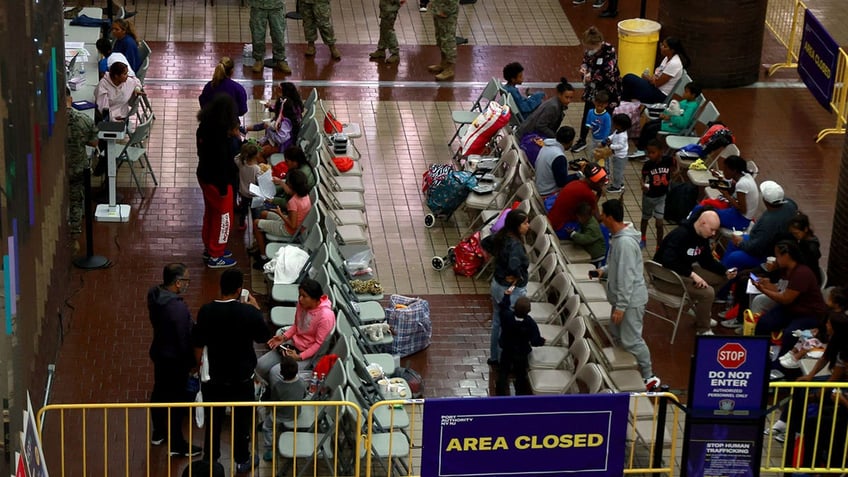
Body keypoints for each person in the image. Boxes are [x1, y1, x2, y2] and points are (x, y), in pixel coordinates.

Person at [192, 269, 270, 472]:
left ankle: (211, 459)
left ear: (221, 288)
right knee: (242, 420)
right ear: (238, 290)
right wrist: (256, 308)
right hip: (241, 379)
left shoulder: (206, 311)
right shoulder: (249, 313)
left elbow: (198, 344)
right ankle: (242, 459)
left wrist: (200, 370)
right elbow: (263, 337)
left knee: (213, 419)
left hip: (214, 378)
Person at [595, 199, 659, 390]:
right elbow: (618, 265)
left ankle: (649, 376)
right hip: (622, 298)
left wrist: (621, 306)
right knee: (616, 334)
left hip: (630, 301)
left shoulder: (624, 243)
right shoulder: (618, 238)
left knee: (632, 340)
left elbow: (627, 276)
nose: (601, 218)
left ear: (610, 217)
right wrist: (604, 270)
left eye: (603, 215)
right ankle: (624, 368)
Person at [653, 209, 738, 335]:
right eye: (712, 230)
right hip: (666, 277)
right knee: (707, 292)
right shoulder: (681, 234)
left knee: (722, 278)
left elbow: (707, 261)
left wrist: (725, 271)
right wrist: (692, 275)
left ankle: (700, 310)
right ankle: (703, 329)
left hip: (685, 272)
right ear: (703, 223)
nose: (714, 234)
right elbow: (668, 261)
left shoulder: (703, 236)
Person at [147, 263, 201, 457]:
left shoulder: (154, 295)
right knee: (177, 401)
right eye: (186, 280)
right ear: (178, 283)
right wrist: (192, 363)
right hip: (175, 361)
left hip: (159, 352)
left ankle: (158, 432)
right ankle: (177, 444)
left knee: (159, 392)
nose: (188, 283)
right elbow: (183, 339)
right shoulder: (177, 309)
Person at [751, 240, 827, 356]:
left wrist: (763, 290)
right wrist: (767, 285)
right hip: (792, 308)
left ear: (786, 255)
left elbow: (785, 298)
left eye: (777, 256)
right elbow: (781, 289)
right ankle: (759, 352)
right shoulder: (786, 270)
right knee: (764, 322)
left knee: (790, 334)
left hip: (809, 313)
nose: (776, 259)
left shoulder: (802, 273)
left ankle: (781, 364)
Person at [257, 278, 336, 381]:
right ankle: (272, 388)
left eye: (304, 296)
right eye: (300, 295)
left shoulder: (325, 317)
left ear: (315, 299)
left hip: (307, 355)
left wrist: (299, 357)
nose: (300, 299)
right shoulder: (302, 304)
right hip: (293, 345)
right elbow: (296, 326)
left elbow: (318, 344)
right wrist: (284, 338)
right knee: (260, 366)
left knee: (275, 374)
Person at [196, 94, 241, 268]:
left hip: (204, 177)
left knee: (210, 213)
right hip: (219, 183)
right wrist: (236, 140)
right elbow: (224, 162)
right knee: (223, 218)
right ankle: (216, 254)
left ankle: (210, 247)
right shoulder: (221, 139)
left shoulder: (204, 128)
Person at [481, 210, 530, 366]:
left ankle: (494, 357)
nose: (528, 226)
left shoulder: (502, 236)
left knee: (497, 322)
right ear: (516, 226)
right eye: (525, 223)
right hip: (510, 291)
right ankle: (504, 360)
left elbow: (485, 242)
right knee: (507, 325)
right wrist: (517, 276)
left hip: (497, 284)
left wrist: (498, 257)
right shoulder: (515, 245)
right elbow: (514, 265)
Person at [722, 180, 798, 270]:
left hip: (768, 254)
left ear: (765, 200)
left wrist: (740, 242)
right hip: (774, 244)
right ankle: (722, 267)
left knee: (734, 258)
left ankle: (725, 277)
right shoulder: (790, 204)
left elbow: (756, 248)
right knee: (733, 242)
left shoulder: (768, 222)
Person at [573, 26, 621, 152]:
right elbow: (585, 62)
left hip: (607, 88)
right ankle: (582, 139)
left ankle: (606, 140)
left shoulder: (609, 51)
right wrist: (584, 69)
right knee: (588, 112)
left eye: (590, 47)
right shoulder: (589, 52)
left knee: (606, 116)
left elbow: (608, 72)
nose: (588, 50)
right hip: (593, 88)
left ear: (597, 43)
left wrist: (592, 75)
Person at [251, 168, 312, 269]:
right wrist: (280, 182)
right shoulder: (305, 195)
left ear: (291, 186)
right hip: (296, 226)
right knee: (264, 214)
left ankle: (263, 257)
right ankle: (262, 243)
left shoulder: (293, 202)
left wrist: (280, 213)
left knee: (256, 223)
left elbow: (292, 225)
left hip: (288, 230)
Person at [690, 155, 759, 231]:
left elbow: (742, 209)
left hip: (741, 220)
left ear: (734, 170)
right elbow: (732, 189)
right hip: (736, 213)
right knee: (704, 208)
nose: (724, 171)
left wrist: (726, 195)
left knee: (703, 213)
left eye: (726, 169)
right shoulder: (745, 175)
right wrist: (720, 179)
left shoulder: (742, 184)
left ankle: (691, 229)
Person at [494, 294, 544, 396]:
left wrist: (506, 296)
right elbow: (535, 341)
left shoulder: (507, 316)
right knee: (520, 374)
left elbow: (503, 307)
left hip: (507, 350)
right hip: (521, 353)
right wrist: (542, 341)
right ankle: (520, 393)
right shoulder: (530, 324)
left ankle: (500, 392)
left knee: (503, 371)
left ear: (514, 307)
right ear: (529, 310)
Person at [633, 82, 702, 155]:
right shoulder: (685, 101)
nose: (683, 93)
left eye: (686, 92)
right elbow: (673, 109)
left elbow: (683, 123)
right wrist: (665, 114)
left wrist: (670, 117)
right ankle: (641, 147)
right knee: (648, 124)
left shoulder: (691, 107)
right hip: (669, 121)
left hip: (675, 126)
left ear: (693, 95)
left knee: (651, 129)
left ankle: (646, 150)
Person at [65, 87, 99, 236]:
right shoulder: (83, 120)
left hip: (53, 172)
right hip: (77, 168)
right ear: (70, 99)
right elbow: (94, 143)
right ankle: (75, 231)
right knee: (76, 200)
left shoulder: (45, 122)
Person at [260, 355, 306, 461]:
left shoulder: (278, 386)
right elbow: (304, 395)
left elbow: (274, 402)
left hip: (280, 415)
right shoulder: (302, 382)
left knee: (267, 427)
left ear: (281, 372)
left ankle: (269, 449)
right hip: (296, 412)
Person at [621, 37, 690, 105]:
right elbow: (656, 74)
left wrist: (648, 78)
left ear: (672, 50)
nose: (661, 48)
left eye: (665, 47)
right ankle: (625, 103)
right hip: (654, 88)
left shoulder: (674, 63)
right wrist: (651, 79)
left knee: (628, 78)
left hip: (660, 95)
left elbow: (657, 83)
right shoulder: (666, 58)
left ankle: (624, 103)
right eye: (662, 45)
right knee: (630, 84)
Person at [547, 163, 608, 235]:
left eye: (603, 180)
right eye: (599, 181)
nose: (602, 184)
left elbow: (591, 204)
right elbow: (597, 218)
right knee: (602, 229)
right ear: (588, 180)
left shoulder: (576, 183)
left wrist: (599, 192)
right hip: (560, 228)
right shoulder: (587, 193)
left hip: (552, 222)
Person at [640, 140, 676, 250]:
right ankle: (643, 237)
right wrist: (642, 185)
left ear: (660, 152)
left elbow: (674, 166)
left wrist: (674, 174)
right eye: (648, 152)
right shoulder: (647, 165)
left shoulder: (668, 160)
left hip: (661, 197)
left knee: (659, 223)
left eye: (653, 152)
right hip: (649, 197)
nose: (650, 155)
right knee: (645, 218)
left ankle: (659, 245)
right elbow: (642, 178)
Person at [516, 78, 574, 142]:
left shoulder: (557, 104)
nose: (569, 100)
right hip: (527, 136)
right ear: (559, 95)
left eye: (571, 98)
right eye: (566, 97)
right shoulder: (553, 107)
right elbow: (540, 125)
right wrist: (554, 137)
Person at [248, 0, 291, 74]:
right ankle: (259, 59)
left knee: (278, 34)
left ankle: (280, 59)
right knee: (257, 34)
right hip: (258, 6)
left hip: (276, 6)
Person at [534, 126, 576, 197]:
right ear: (570, 141)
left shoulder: (546, 146)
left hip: (539, 185)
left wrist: (568, 167)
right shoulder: (559, 156)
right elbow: (562, 183)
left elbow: (552, 166)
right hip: (547, 192)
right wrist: (579, 174)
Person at [235, 141, 265, 231]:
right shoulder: (256, 169)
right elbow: (260, 180)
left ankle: (241, 224)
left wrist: (243, 152)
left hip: (243, 192)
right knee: (255, 211)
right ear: (256, 156)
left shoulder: (240, 163)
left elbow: (235, 158)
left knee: (243, 210)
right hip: (253, 194)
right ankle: (255, 227)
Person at [427, 0, 460, 80]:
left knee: (448, 40)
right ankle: (443, 64)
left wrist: (446, 10)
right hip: (439, 7)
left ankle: (449, 69)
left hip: (447, 9)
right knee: (441, 37)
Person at [565, 201, 606, 266]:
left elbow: (584, 239)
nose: (578, 219)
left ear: (585, 216)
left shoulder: (592, 227)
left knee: (596, 270)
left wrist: (573, 234)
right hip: (590, 252)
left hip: (597, 255)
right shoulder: (586, 222)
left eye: (579, 217)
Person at [788, 213, 823, 287]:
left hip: (809, 282)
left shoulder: (811, 249)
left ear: (805, 229)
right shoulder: (804, 241)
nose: (795, 236)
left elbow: (805, 267)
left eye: (796, 233)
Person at [369, 0, 405, 64]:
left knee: (389, 31)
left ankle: (395, 53)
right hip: (385, 10)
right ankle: (381, 49)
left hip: (390, 11)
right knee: (383, 29)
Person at [604, 113, 631, 193]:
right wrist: (609, 138)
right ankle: (620, 183)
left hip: (620, 157)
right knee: (619, 171)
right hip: (617, 155)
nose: (613, 125)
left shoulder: (622, 136)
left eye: (615, 123)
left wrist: (610, 146)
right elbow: (613, 135)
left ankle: (616, 187)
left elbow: (620, 146)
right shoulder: (618, 131)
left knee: (617, 172)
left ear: (621, 125)